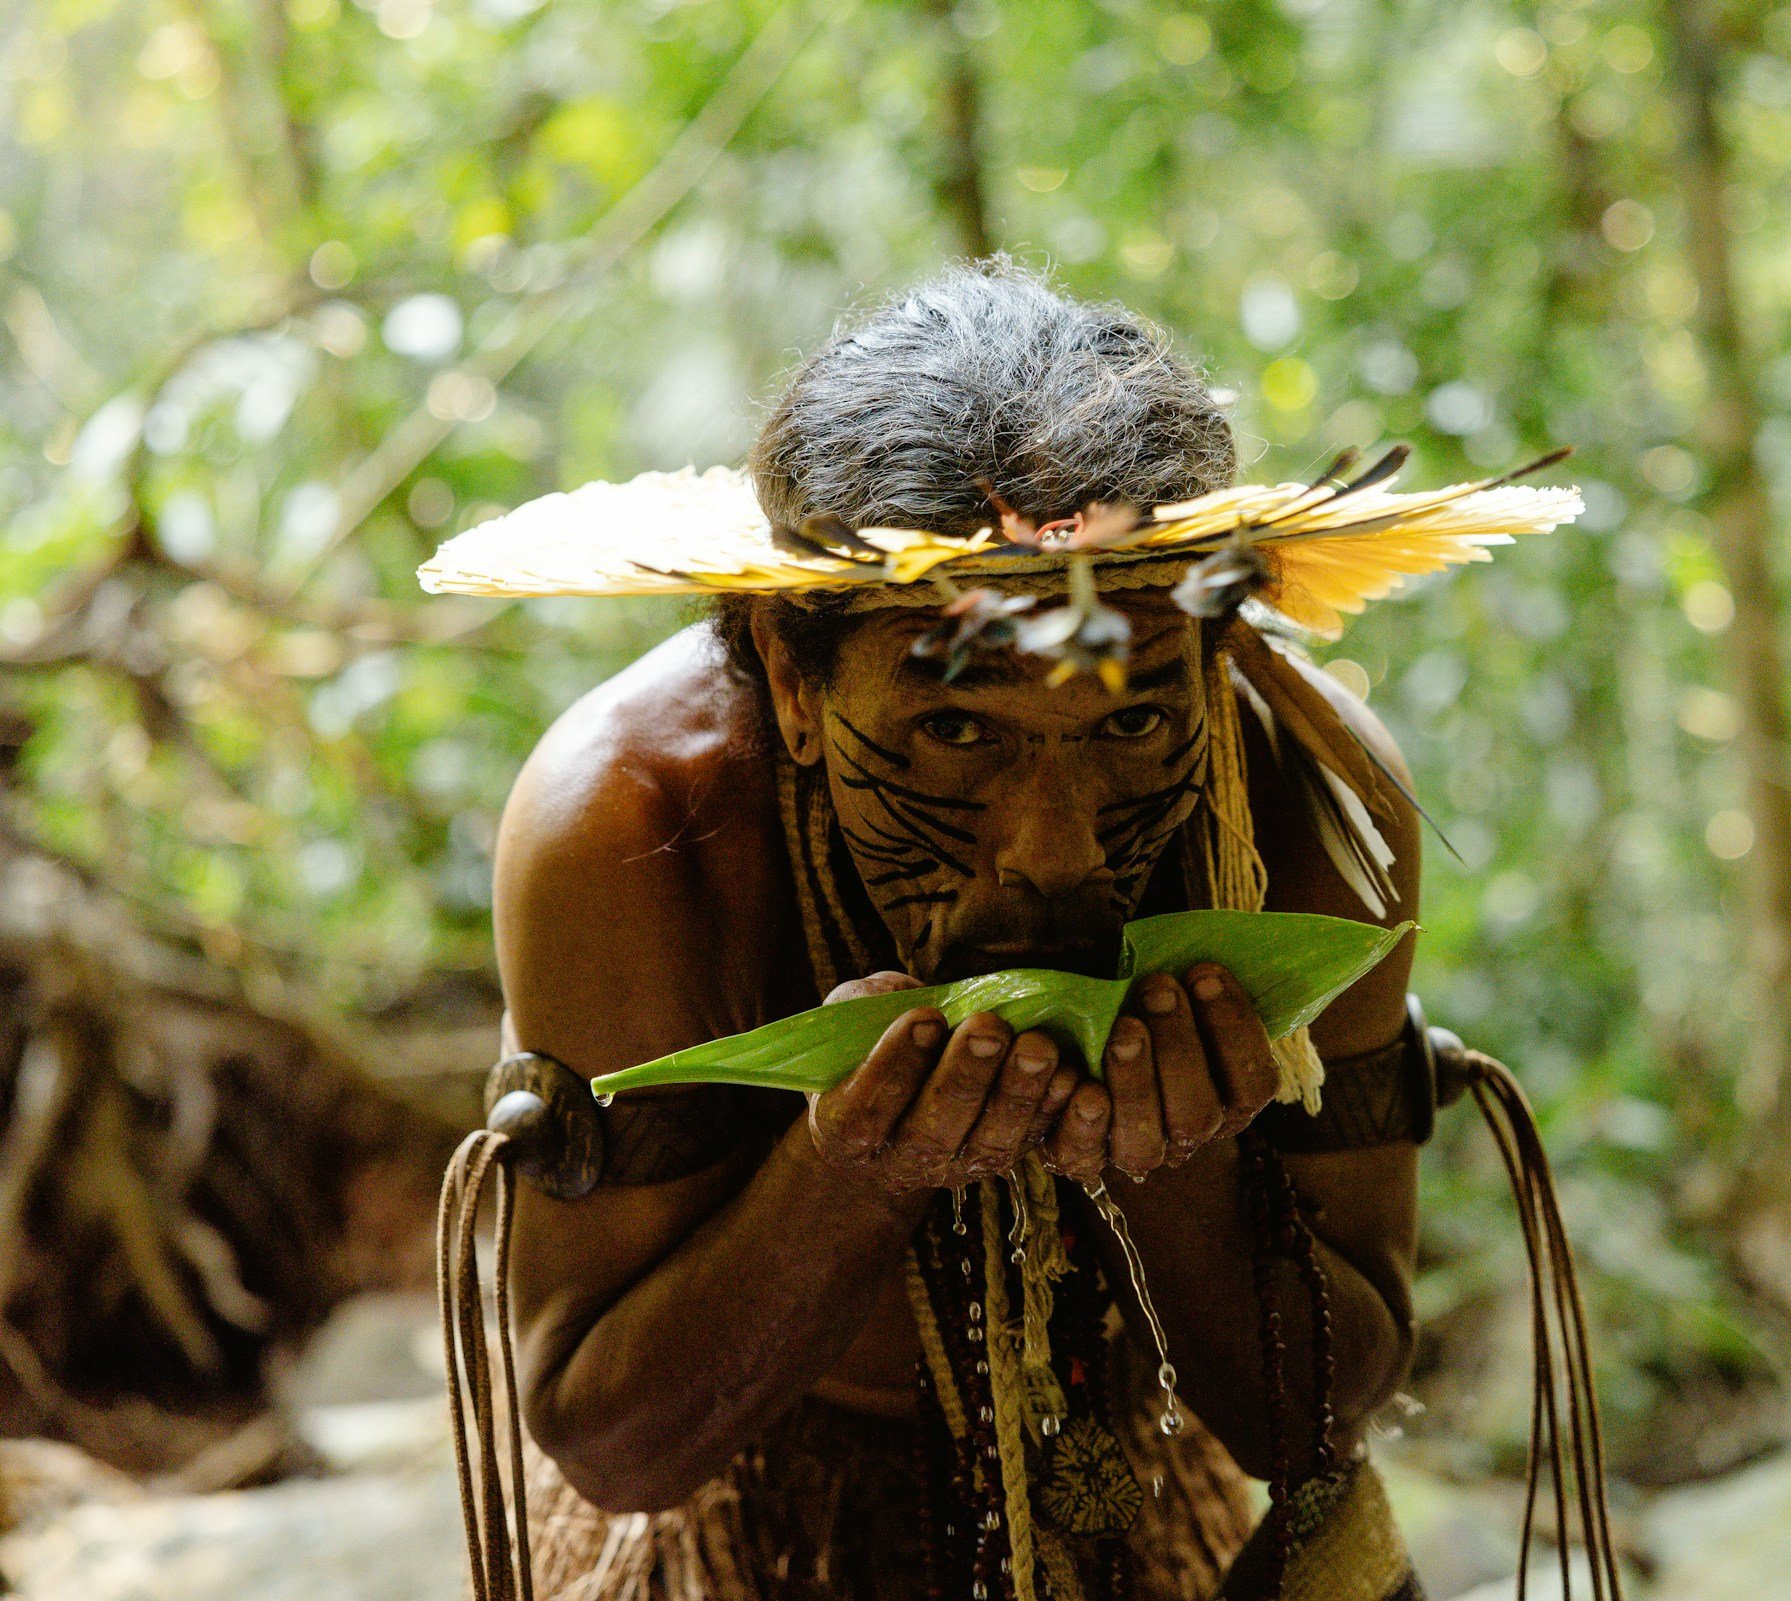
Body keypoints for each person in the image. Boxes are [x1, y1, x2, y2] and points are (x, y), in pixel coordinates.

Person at [423, 262, 1584, 1601]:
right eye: (956, 728)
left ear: (1214, 654)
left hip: (1129, 1487)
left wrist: (1178, 1171)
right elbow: (610, 1443)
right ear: (793, 677)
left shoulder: (1310, 799)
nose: (1057, 851)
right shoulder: (634, 817)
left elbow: (1318, 1422)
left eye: (1131, 721)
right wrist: (849, 1179)